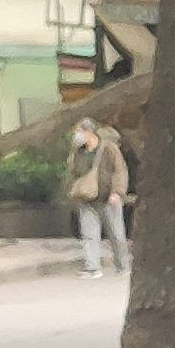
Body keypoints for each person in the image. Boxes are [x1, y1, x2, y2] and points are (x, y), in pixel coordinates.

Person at [62, 115, 133, 273]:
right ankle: (92, 267)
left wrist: (117, 192)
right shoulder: (77, 152)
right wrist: (72, 191)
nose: (76, 136)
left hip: (109, 198)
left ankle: (122, 266)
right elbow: (72, 173)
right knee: (89, 234)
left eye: (79, 132)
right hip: (86, 199)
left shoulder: (108, 148)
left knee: (116, 235)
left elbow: (120, 170)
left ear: (89, 132)